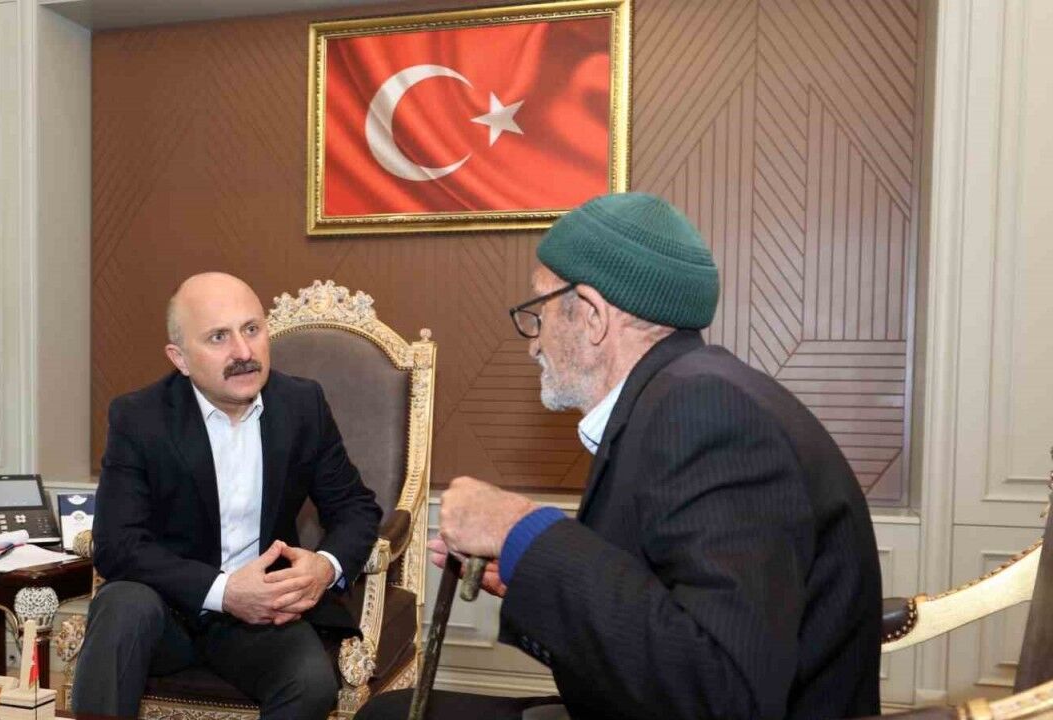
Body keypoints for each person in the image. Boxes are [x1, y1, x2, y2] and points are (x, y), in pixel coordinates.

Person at [359, 193, 881, 720]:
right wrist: (531, 568)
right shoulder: (677, 396)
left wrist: (521, 531)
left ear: (590, 315)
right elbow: (666, 607)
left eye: (539, 310)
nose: (533, 344)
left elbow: (721, 691)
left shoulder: (706, 413)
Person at [72, 272, 381, 719]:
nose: (243, 352)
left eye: (251, 329)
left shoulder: (301, 405)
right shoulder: (140, 417)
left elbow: (354, 507)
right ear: (180, 358)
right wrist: (223, 590)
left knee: (310, 683)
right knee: (122, 607)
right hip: (164, 609)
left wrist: (324, 566)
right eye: (218, 337)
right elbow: (118, 545)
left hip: (260, 616)